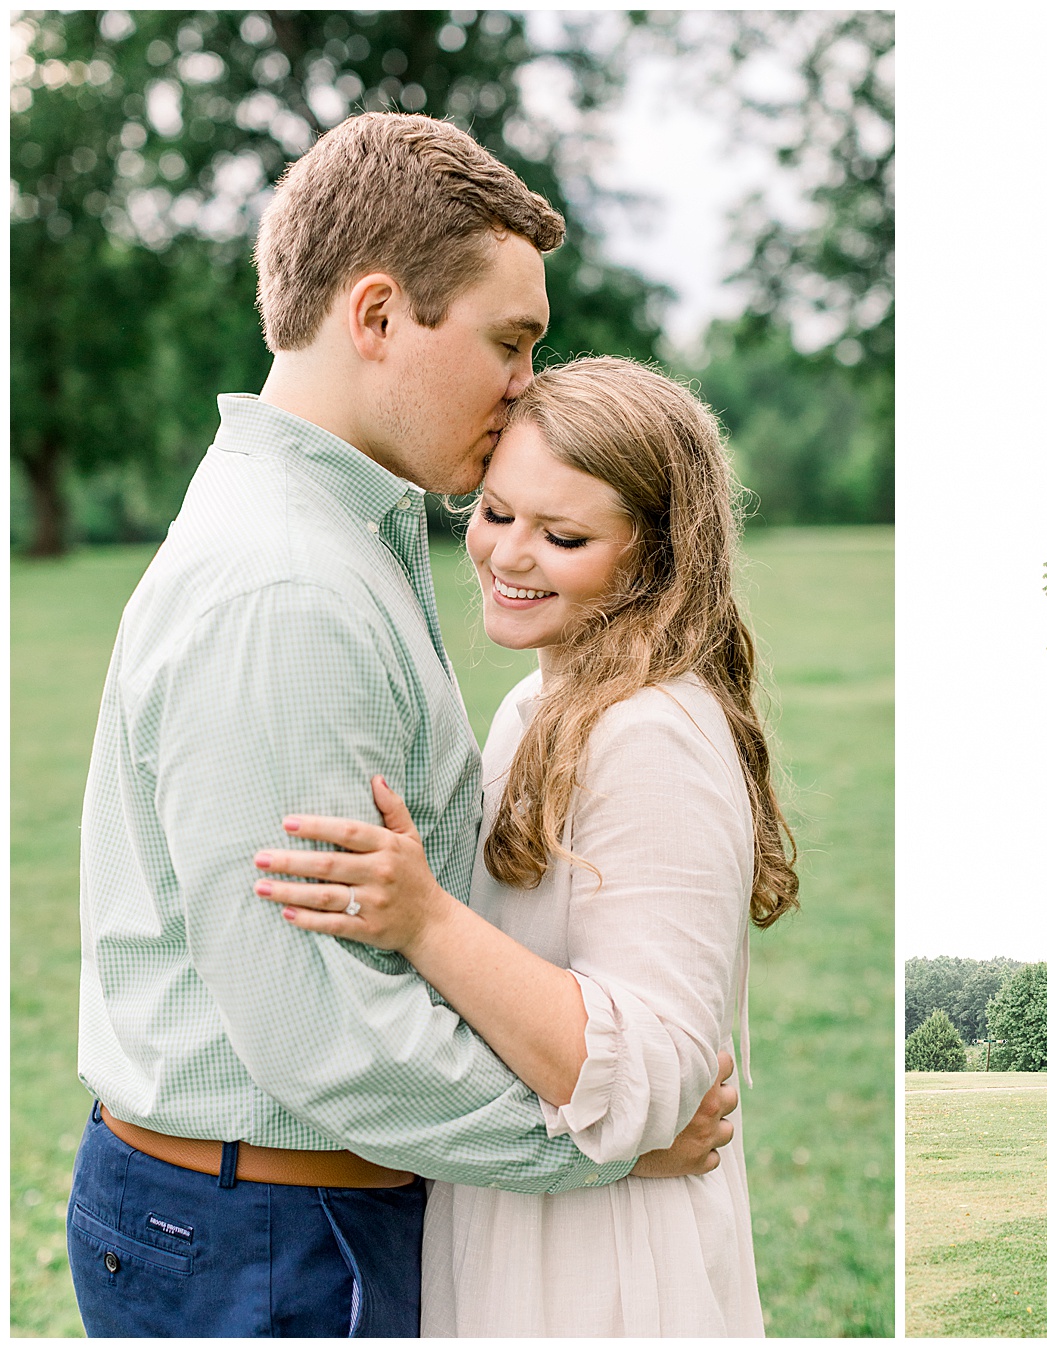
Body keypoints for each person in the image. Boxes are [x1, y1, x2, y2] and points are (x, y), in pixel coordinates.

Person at [68, 113, 729, 1339]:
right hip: (265, 1241)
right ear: (376, 317)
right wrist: (607, 1136)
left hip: (280, 1217)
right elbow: (321, 1035)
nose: (529, 381)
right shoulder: (288, 588)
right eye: (510, 341)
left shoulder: (350, 532)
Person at [253, 356, 795, 1335]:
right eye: (497, 512)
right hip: (524, 1213)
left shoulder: (648, 731)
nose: (508, 554)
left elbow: (657, 1077)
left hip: (601, 1269)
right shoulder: (536, 702)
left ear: (654, 555)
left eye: (565, 535)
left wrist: (424, 919)